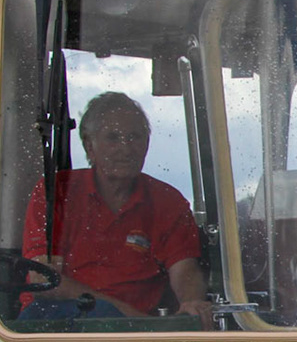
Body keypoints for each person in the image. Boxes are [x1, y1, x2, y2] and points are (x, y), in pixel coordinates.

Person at [20, 92, 212, 322]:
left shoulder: (168, 201)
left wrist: (191, 303)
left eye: (134, 137)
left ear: (147, 144)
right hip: (57, 324)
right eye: (113, 138)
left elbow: (185, 270)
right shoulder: (55, 192)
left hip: (137, 331)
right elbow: (44, 280)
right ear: (89, 145)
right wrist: (128, 316)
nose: (126, 149)